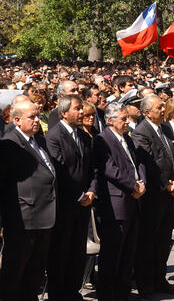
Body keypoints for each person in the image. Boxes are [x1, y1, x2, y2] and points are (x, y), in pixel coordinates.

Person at [0, 100, 56, 301]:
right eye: (31, 117)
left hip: (44, 217)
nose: (36, 121)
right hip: (22, 219)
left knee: (35, 272)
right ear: (16, 120)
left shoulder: (39, 141)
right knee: (15, 272)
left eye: (38, 116)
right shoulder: (10, 144)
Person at [46, 95, 97, 301]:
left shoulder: (84, 137)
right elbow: (59, 172)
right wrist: (79, 195)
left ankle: (72, 291)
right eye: (77, 109)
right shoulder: (54, 136)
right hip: (66, 205)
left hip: (84, 203)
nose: (82, 112)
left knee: (77, 250)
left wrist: (92, 191)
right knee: (61, 251)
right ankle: (58, 294)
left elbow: (92, 168)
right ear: (64, 113)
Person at [94, 102, 146, 301]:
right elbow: (109, 169)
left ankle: (123, 291)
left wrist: (142, 183)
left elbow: (137, 162)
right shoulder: (102, 140)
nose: (127, 122)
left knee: (128, 251)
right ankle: (108, 293)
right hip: (117, 203)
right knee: (113, 252)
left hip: (134, 200)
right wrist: (133, 185)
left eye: (127, 118)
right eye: (123, 119)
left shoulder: (127, 139)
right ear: (110, 120)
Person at [132, 94, 174, 297]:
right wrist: (165, 186)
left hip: (170, 194)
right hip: (153, 196)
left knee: (163, 240)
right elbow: (148, 164)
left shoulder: (166, 128)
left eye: (163, 106)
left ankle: (160, 278)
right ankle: (146, 283)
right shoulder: (141, 133)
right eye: (159, 107)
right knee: (148, 241)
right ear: (147, 112)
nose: (163, 109)